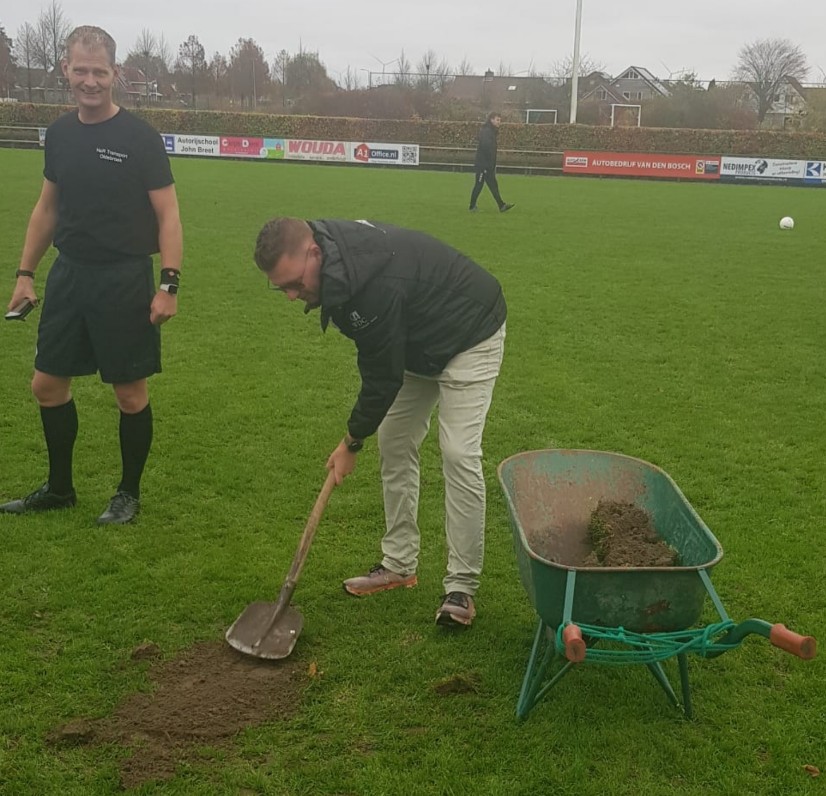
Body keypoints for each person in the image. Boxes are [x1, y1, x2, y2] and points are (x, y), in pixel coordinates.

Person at [254, 217, 506, 627]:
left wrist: (351, 442)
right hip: (416, 336)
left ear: (314, 253)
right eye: (281, 287)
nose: (290, 296)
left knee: (458, 452)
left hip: (470, 329)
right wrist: (358, 438)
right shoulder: (336, 266)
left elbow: (382, 375)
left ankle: (461, 587)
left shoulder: (372, 285)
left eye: (295, 284)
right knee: (394, 439)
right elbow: (384, 360)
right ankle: (399, 564)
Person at [1, 26, 183, 525]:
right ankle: (60, 488)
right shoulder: (59, 134)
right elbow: (46, 208)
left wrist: (169, 283)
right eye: (80, 70)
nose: (89, 81)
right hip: (70, 276)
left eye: (98, 71)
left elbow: (168, 214)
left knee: (129, 393)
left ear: (115, 73)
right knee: (46, 385)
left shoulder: (139, 138)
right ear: (65, 70)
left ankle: (128, 493)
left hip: (124, 278)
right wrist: (24, 274)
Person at [469, 111, 514, 213]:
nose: (499, 122)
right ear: (491, 120)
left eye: (500, 120)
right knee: (479, 185)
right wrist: (487, 163)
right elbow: (486, 147)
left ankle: (501, 205)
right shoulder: (486, 131)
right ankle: (472, 206)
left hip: (488, 165)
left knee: (493, 185)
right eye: (497, 120)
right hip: (483, 165)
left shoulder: (491, 131)